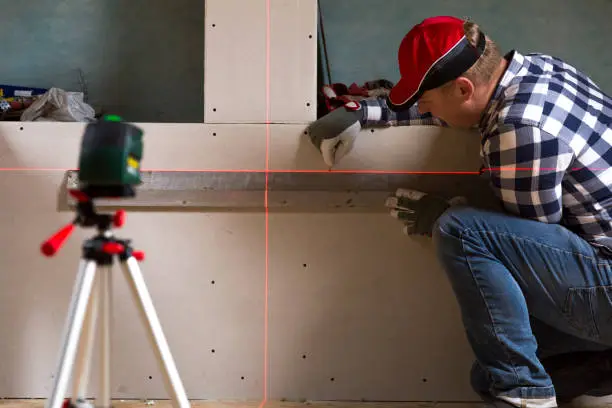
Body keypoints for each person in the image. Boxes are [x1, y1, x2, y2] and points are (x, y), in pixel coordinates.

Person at [307, 15, 612, 408]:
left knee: (462, 230)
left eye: (427, 100)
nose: (425, 109)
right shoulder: (537, 70)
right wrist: (363, 112)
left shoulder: (517, 129)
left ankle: (525, 399)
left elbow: (527, 250)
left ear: (463, 87)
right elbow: (453, 108)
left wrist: (442, 217)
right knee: (487, 377)